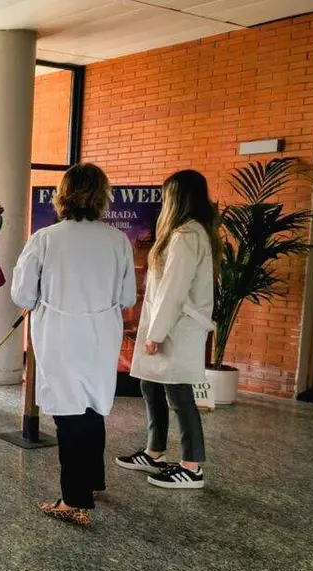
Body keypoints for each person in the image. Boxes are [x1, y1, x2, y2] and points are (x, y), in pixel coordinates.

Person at [11, 164, 137, 527]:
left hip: (60, 334)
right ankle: (93, 481)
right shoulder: (117, 241)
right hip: (101, 333)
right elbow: (127, 295)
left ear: (62, 195)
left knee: (68, 413)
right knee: (93, 405)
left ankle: (74, 499)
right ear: (102, 195)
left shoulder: (45, 238)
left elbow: (22, 293)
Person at [115, 170, 218, 489]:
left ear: (179, 198)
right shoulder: (184, 233)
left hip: (177, 328)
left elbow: (174, 289)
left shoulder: (187, 236)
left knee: (179, 393)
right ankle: (154, 451)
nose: (163, 200)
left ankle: (192, 466)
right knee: (150, 385)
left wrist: (156, 335)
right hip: (169, 324)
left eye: (167, 194)